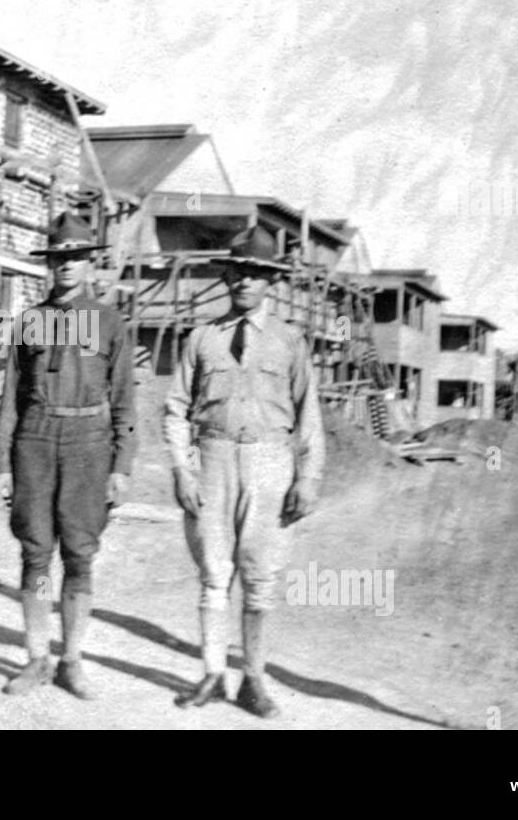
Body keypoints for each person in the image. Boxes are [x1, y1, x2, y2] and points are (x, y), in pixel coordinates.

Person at [162, 226, 325, 718]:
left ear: (270, 280)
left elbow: (308, 415)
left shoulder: (290, 341)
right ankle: (212, 673)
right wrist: (183, 470)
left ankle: (254, 679)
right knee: (213, 574)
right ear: (226, 275)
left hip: (270, 462)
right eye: (237, 272)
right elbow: (174, 410)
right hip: (212, 459)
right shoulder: (201, 338)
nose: (245, 282)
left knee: (260, 579)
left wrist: (308, 476)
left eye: (256, 273)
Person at [0, 212, 136, 699]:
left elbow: (124, 401)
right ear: (48, 264)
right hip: (35, 437)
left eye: (76, 257)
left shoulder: (110, 321)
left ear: (90, 263)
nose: (67, 266)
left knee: (79, 555)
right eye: (59, 258)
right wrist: (1, 468)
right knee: (35, 554)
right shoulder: (30, 321)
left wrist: (121, 465)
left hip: (88, 442)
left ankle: (72, 659)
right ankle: (37, 657)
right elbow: (11, 397)